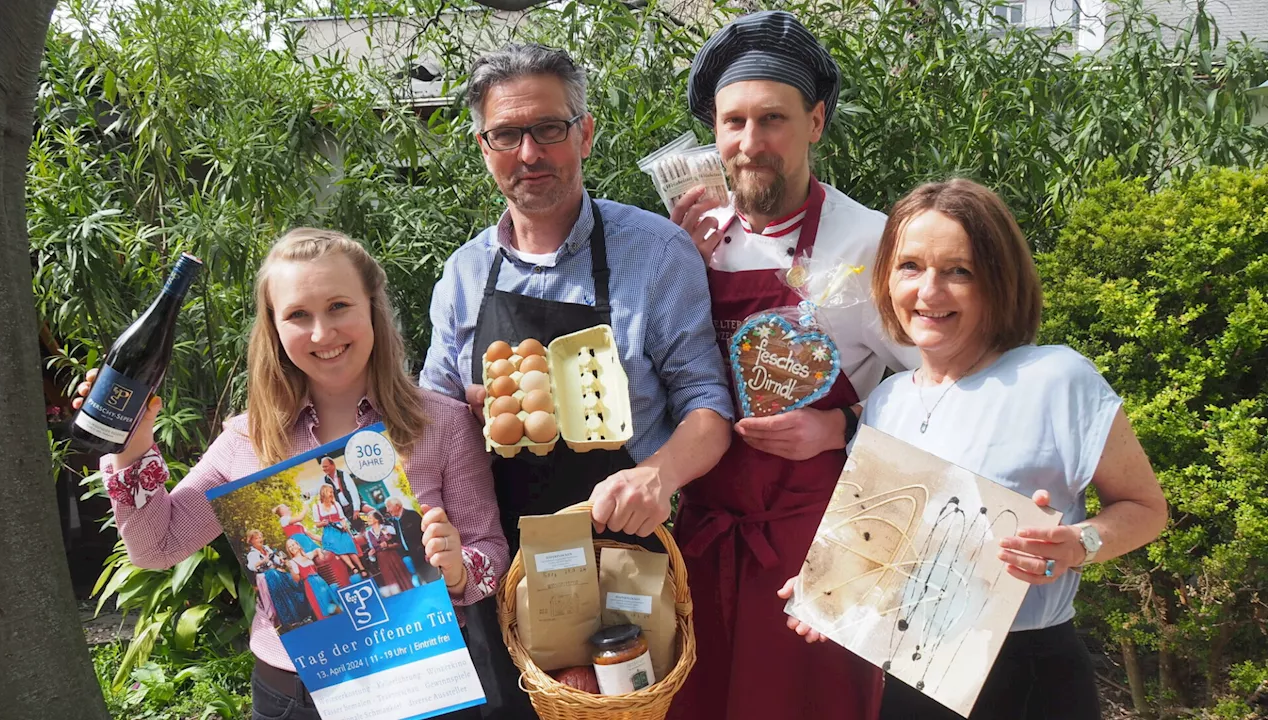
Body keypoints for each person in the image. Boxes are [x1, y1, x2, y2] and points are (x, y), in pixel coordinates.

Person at [419, 43, 734, 719]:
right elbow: (430, 426)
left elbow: (709, 409)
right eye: (506, 134)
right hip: (500, 567)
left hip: (623, 558)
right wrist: (461, 418)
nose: (528, 153)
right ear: (483, 146)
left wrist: (658, 476)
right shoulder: (463, 277)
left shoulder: (655, 254)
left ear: (585, 133)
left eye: (549, 129)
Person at [76, 228, 508, 720]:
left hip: (423, 688)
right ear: (275, 329)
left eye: (339, 305)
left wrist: (456, 567)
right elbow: (158, 547)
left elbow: (490, 552)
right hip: (295, 699)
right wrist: (132, 450)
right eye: (299, 315)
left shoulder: (444, 424)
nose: (323, 333)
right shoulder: (248, 440)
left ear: (372, 307)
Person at [778, 179, 1169, 720]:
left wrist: (1081, 542)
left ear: (999, 279)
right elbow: (895, 545)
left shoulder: (1056, 378)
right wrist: (835, 584)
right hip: (906, 679)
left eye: (958, 271)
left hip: (1027, 679)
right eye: (910, 266)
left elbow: (1148, 509)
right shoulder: (888, 400)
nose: (929, 292)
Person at [665, 11, 920, 720]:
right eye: (733, 122)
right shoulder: (685, 243)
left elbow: (942, 395)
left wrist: (840, 425)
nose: (750, 144)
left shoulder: (874, 243)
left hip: (826, 545)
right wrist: (671, 268)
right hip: (704, 542)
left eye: (772, 119)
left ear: (816, 120)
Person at [245, 529, 310, 628]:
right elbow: (251, 566)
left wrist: (282, 561)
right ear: (252, 541)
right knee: (276, 581)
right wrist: (263, 561)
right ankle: (290, 620)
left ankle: (302, 613)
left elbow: (276, 559)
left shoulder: (266, 548)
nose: (260, 539)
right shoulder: (252, 554)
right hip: (265, 576)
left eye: (260, 537)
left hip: (275, 573)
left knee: (292, 580)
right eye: (257, 538)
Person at [311, 484, 366, 579]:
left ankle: (361, 567)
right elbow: (316, 524)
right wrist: (322, 523)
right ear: (323, 493)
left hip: (340, 528)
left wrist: (344, 524)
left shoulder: (335, 504)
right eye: (330, 492)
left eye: (332, 492)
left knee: (348, 545)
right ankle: (353, 568)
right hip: (329, 532)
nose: (332, 494)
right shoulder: (316, 507)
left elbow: (342, 518)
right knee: (338, 547)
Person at [385, 497, 443, 586]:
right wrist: (391, 538)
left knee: (434, 578)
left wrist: (427, 552)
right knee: (426, 580)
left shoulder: (412, 515)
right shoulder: (395, 521)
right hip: (412, 556)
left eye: (389, 506)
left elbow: (424, 533)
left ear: (397, 506)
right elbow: (401, 538)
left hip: (422, 553)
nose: (387, 510)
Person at [284, 538, 341, 621]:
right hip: (311, 586)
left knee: (333, 601)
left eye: (293, 544)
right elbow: (297, 579)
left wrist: (320, 554)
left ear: (298, 545)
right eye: (289, 547)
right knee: (323, 607)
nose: (292, 547)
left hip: (321, 581)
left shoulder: (307, 556)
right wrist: (291, 569)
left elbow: (317, 549)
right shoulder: (293, 562)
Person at [363, 510, 413, 596]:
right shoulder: (368, 533)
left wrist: (388, 545)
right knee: (391, 580)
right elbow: (372, 548)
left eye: (370, 518)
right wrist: (371, 554)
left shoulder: (387, 528)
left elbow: (398, 543)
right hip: (382, 560)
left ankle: (412, 594)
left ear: (377, 519)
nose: (368, 520)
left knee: (402, 577)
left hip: (393, 556)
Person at [319, 455, 370, 532]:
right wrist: (308, 494)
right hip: (345, 510)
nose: (324, 469)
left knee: (371, 510)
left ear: (333, 465)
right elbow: (317, 489)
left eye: (326, 466)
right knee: (361, 529)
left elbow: (353, 492)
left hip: (355, 503)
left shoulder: (343, 474)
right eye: (323, 467)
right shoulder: (324, 480)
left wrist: (356, 509)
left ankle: (387, 527)